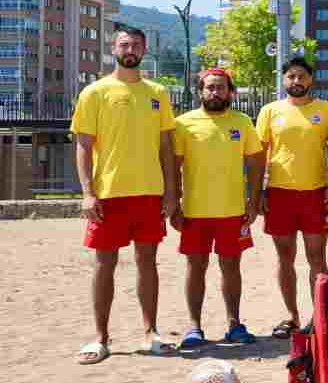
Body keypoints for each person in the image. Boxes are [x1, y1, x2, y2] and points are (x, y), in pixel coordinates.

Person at [70, 27, 178, 364]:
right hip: (108, 194)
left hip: (148, 193)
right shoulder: (95, 92)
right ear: (112, 48)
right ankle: (101, 337)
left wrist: (171, 192)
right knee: (105, 265)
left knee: (148, 263)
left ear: (145, 50)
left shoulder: (158, 92)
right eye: (123, 44)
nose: (130, 49)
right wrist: (88, 193)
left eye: (136, 45)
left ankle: (151, 332)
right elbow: (83, 146)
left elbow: (166, 147)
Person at [173, 68, 264, 347]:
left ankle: (234, 324)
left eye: (221, 87)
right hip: (194, 211)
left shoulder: (243, 123)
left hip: (233, 211)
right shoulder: (183, 124)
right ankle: (194, 327)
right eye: (210, 87)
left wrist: (254, 200)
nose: (215, 92)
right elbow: (173, 167)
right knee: (195, 267)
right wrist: (173, 203)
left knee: (231, 267)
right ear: (201, 91)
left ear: (230, 91)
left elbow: (256, 163)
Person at [255, 56, 328, 338]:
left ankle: (320, 316)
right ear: (284, 79)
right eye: (291, 76)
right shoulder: (270, 111)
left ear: (310, 79)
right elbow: (259, 155)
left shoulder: (325, 110)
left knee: (317, 257)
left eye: (302, 76)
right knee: (285, 257)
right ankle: (291, 316)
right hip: (279, 193)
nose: (296, 81)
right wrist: (259, 191)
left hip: (315, 193)